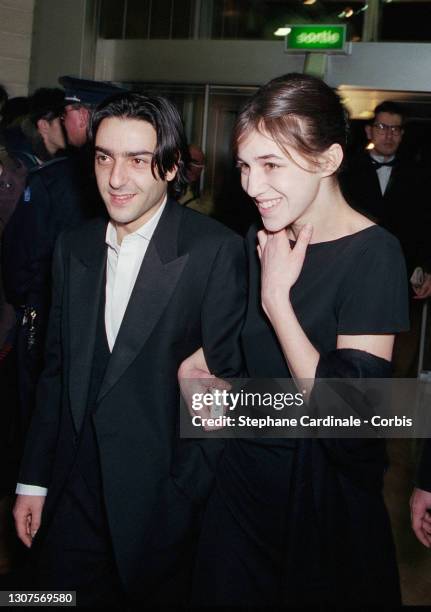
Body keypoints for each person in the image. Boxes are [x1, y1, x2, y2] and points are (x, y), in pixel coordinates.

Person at [179, 73, 409, 606]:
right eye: (244, 166)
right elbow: (237, 347)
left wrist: (278, 302)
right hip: (239, 486)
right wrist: (199, 362)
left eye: (271, 165)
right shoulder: (259, 238)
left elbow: (353, 421)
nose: (252, 186)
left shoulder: (374, 254)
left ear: (328, 161)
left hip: (315, 501)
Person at [12, 92, 246, 606]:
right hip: (71, 494)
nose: (116, 178)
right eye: (104, 157)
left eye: (137, 160)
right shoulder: (73, 246)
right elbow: (55, 373)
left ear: (169, 166)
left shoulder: (213, 251)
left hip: (157, 509)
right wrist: (33, 481)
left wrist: (184, 498)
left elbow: (222, 400)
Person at [340, 101, 431, 375]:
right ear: (369, 131)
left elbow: (427, 225)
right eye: (382, 127)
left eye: (395, 129)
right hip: (354, 267)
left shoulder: (420, 175)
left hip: (402, 273)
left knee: (401, 341)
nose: (388, 135)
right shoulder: (344, 170)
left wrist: (428, 268)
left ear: (402, 134)